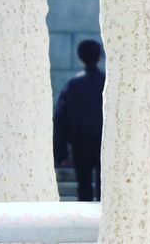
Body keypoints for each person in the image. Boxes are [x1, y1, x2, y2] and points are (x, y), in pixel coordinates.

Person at [53, 40, 105, 201]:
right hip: (105, 142)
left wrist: (59, 151)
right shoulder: (107, 82)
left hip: (81, 143)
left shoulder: (73, 85)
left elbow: (60, 119)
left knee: (84, 186)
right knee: (106, 186)